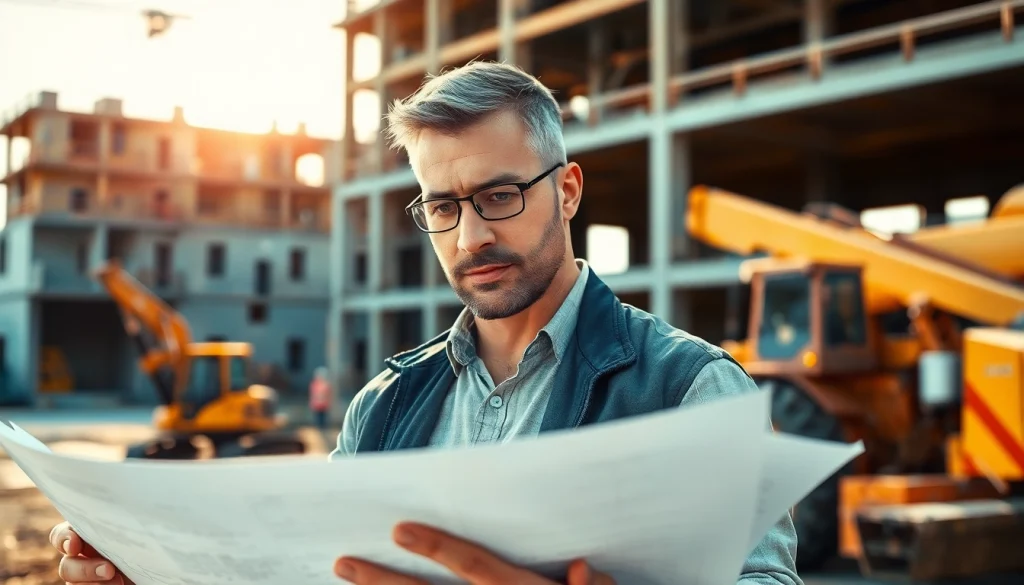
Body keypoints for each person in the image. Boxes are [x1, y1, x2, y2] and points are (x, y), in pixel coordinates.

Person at [48, 61, 802, 585]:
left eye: (500, 194)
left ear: (567, 190)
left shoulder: (693, 387)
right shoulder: (384, 405)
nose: (470, 236)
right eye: (442, 206)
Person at [309, 366, 332, 431]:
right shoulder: (315, 384)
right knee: (317, 418)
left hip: (323, 405)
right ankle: (319, 430)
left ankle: (323, 430)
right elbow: (313, 395)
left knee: (323, 419)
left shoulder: (326, 384)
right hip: (317, 405)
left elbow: (328, 395)